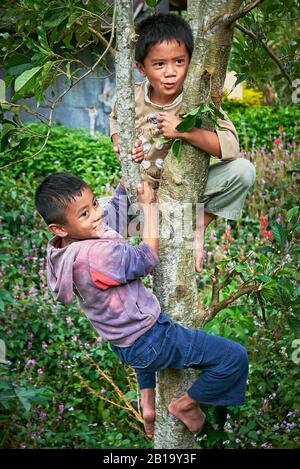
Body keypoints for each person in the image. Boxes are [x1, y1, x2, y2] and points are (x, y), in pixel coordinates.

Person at [35, 172, 249, 440]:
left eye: (95, 205)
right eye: (85, 214)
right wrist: (149, 209)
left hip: (123, 342)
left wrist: (128, 179)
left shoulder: (61, 248)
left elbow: (111, 212)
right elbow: (146, 259)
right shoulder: (95, 255)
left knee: (141, 348)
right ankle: (184, 405)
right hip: (151, 338)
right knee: (234, 358)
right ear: (59, 228)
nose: (97, 215)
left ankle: (148, 403)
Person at [109, 13, 256, 273]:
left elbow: (230, 146)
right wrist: (124, 149)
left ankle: (199, 225)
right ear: (141, 68)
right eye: (159, 64)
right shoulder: (130, 96)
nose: (171, 72)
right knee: (92, 229)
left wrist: (184, 131)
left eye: (179, 61)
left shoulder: (198, 102)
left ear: (191, 62)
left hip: (185, 192)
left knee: (244, 171)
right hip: (140, 196)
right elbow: (117, 125)